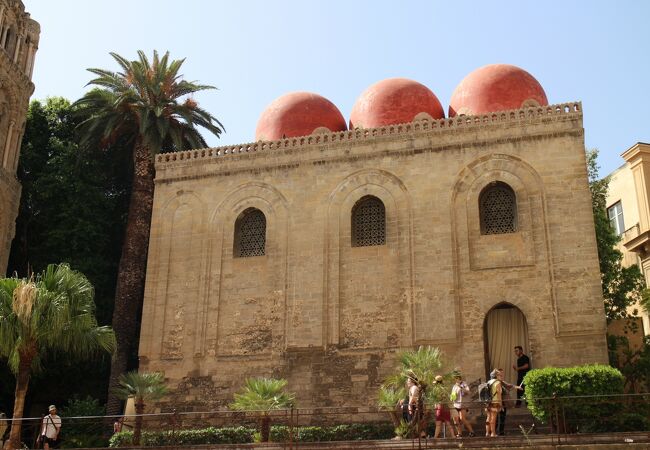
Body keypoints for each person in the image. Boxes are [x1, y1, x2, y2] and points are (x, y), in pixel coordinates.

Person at [450, 373, 475, 438]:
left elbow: (468, 392)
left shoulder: (464, 384)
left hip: (462, 404)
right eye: (454, 378)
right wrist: (451, 397)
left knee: (462, 418)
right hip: (455, 404)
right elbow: (453, 395)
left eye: (455, 378)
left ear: (458, 378)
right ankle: (459, 434)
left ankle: (472, 432)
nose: (454, 379)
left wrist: (461, 387)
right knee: (455, 420)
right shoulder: (454, 386)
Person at [485, 369, 502, 437]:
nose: (500, 376)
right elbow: (499, 394)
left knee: (488, 417)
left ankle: (487, 433)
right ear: (496, 376)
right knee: (493, 418)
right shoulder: (497, 383)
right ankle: (493, 433)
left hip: (488, 402)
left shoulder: (488, 382)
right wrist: (500, 404)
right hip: (495, 402)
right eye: (499, 375)